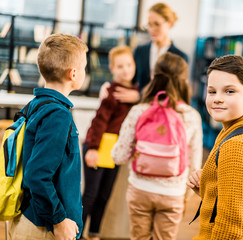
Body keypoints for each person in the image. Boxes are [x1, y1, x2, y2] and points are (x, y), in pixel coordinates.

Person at [111, 52, 202, 240]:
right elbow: (194, 165)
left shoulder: (139, 110)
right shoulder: (191, 115)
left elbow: (119, 156)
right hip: (173, 193)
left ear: (153, 77)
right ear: (183, 80)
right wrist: (185, 198)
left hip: (140, 188)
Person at [7, 33, 88, 240]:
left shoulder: (36, 105)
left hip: (29, 218)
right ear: (73, 73)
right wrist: (59, 220)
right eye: (85, 67)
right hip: (43, 227)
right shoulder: (57, 115)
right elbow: (38, 175)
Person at [186, 55, 243, 239]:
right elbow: (237, 205)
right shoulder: (237, 134)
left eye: (229, 91)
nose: (217, 99)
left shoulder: (237, 146)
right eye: (212, 91)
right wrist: (208, 188)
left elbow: (230, 229)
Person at [81, 46, 137, 240]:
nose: (126, 70)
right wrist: (93, 149)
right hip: (98, 146)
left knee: (104, 195)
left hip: (115, 149)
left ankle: (94, 233)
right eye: (120, 66)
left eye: (129, 65)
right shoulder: (112, 92)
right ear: (112, 68)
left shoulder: (136, 92)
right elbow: (99, 122)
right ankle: (76, 234)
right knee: (90, 194)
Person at [99, 2, 188, 101]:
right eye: (149, 25)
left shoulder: (180, 57)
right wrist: (108, 86)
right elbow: (128, 79)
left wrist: (140, 96)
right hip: (139, 109)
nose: (152, 29)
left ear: (169, 24)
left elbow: (177, 93)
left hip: (164, 112)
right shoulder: (140, 51)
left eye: (157, 24)